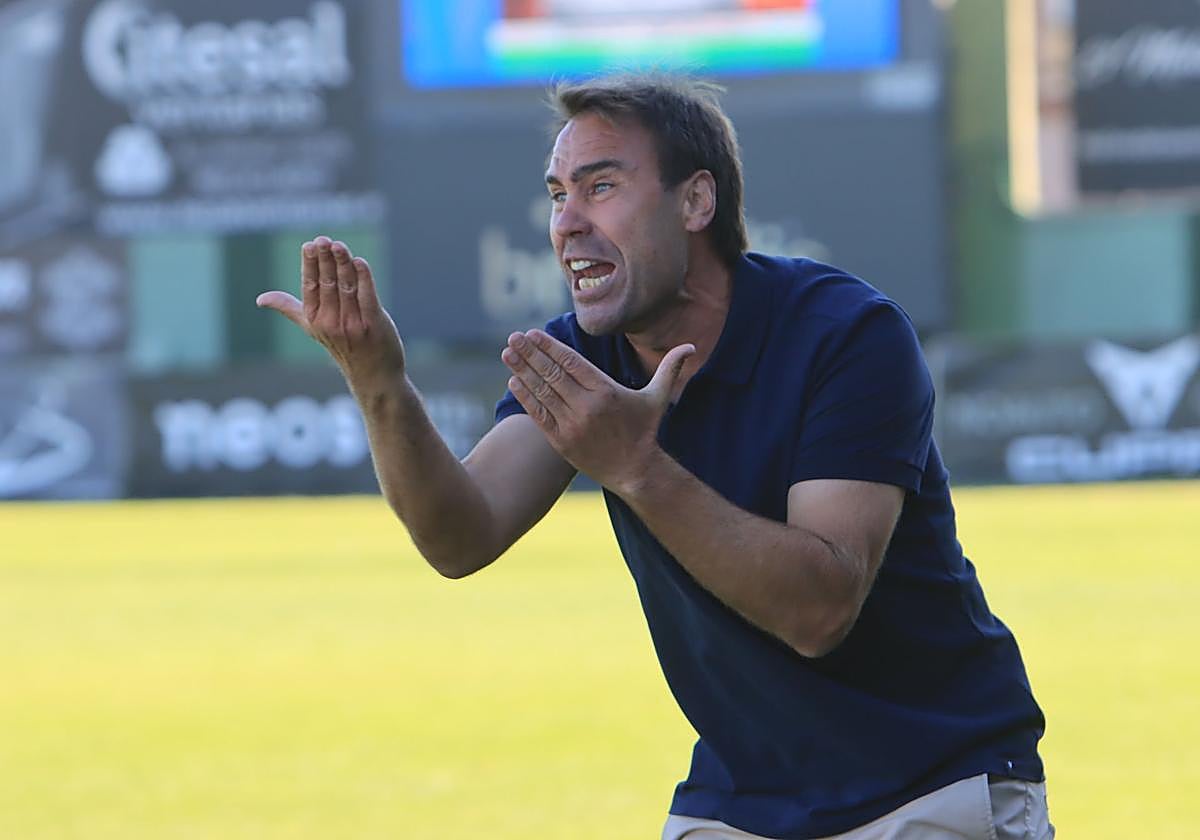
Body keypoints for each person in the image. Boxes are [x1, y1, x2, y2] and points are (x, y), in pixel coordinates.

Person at [258, 74, 1053, 840]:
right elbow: (460, 538)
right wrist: (379, 382)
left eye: (600, 186)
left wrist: (638, 469)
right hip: (742, 797)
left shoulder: (846, 333)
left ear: (697, 201)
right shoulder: (584, 352)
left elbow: (819, 610)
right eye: (558, 194)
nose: (566, 222)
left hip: (932, 780)